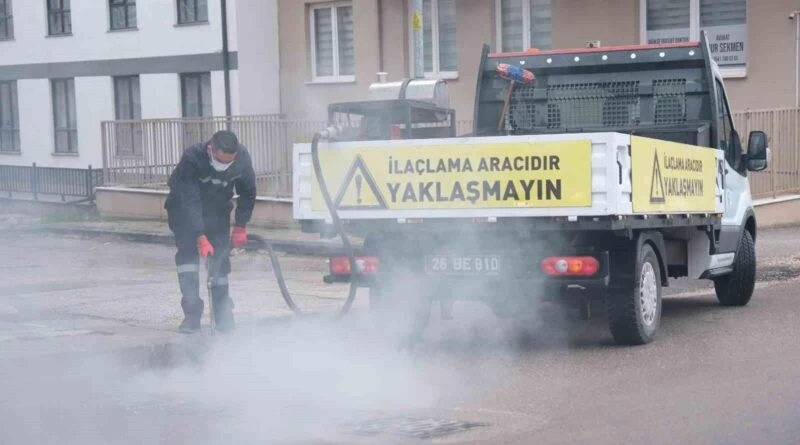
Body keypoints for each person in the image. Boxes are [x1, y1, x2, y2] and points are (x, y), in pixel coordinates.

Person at [164, 130, 257, 333]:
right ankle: (191, 316)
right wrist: (199, 235)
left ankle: (223, 316)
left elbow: (248, 192)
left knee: (219, 264)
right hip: (183, 212)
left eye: (229, 162)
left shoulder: (241, 158)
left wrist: (241, 225)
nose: (225, 166)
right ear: (210, 151)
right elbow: (189, 200)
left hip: (217, 212)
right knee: (188, 263)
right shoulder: (192, 158)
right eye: (221, 161)